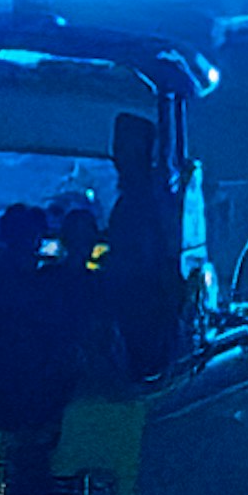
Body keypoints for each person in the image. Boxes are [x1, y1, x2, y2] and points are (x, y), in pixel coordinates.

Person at [93, 113, 184, 378]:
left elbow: (143, 258)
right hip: (138, 302)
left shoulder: (146, 201)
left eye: (123, 148)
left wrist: (110, 271)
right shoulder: (138, 198)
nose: (116, 157)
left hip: (141, 307)